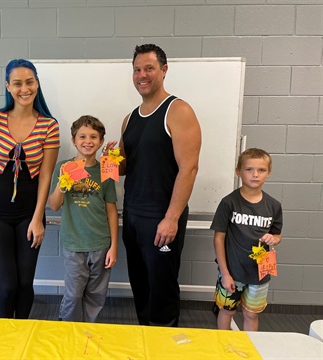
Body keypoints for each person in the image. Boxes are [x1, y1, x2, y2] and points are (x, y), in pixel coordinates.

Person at [105, 44, 201, 327]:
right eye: (137, 69)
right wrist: (105, 160)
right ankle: (147, 341)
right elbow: (121, 169)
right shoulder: (130, 118)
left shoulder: (178, 111)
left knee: (162, 290)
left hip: (162, 216)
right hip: (133, 214)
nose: (142, 75)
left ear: (163, 70)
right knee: (141, 287)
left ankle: (165, 348)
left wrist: (171, 219)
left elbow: (189, 168)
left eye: (149, 68)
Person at [0, 59, 60, 319]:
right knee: (7, 285)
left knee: (24, 284)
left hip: (28, 215)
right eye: (18, 83)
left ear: (37, 84)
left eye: (29, 82)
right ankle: (5, 331)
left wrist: (37, 218)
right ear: (8, 87)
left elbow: (46, 176)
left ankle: (21, 332)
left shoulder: (48, 125)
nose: (25, 88)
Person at [48, 115, 118, 322]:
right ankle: (68, 330)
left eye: (94, 137)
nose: (88, 141)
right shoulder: (64, 167)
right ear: (73, 140)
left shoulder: (106, 167)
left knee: (96, 294)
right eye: (82, 136)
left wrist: (114, 246)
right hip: (74, 243)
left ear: (101, 141)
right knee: (73, 294)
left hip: (101, 243)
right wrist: (63, 183)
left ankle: (88, 329)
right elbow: (53, 205)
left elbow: (111, 209)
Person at [213, 148, 282, 331]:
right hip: (232, 272)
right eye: (249, 169)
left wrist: (274, 239)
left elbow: (277, 234)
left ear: (268, 173)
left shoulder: (274, 205)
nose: (255, 175)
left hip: (259, 273)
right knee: (227, 310)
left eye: (261, 170)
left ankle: (249, 350)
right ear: (238, 171)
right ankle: (223, 349)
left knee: (251, 314)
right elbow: (219, 238)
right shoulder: (229, 203)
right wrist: (225, 273)